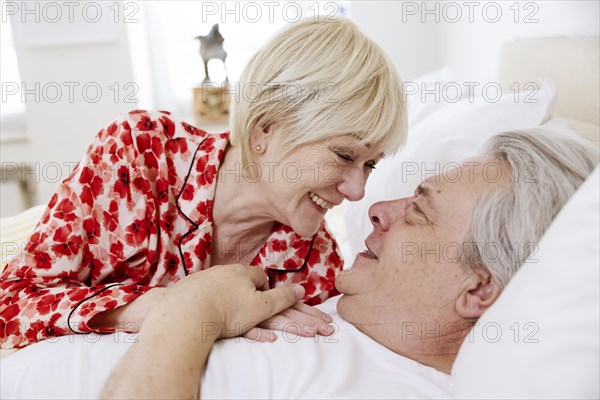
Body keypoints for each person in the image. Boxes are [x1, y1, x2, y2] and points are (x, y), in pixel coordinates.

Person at [1, 128, 597, 399]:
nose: (373, 206)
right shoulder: (337, 300)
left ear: (478, 288)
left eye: (420, 211)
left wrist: (194, 310)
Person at [0, 18, 406, 349]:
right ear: (265, 129)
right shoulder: (139, 152)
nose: (357, 191)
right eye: (344, 155)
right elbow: (11, 304)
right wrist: (177, 308)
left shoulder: (315, 267)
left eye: (370, 165)